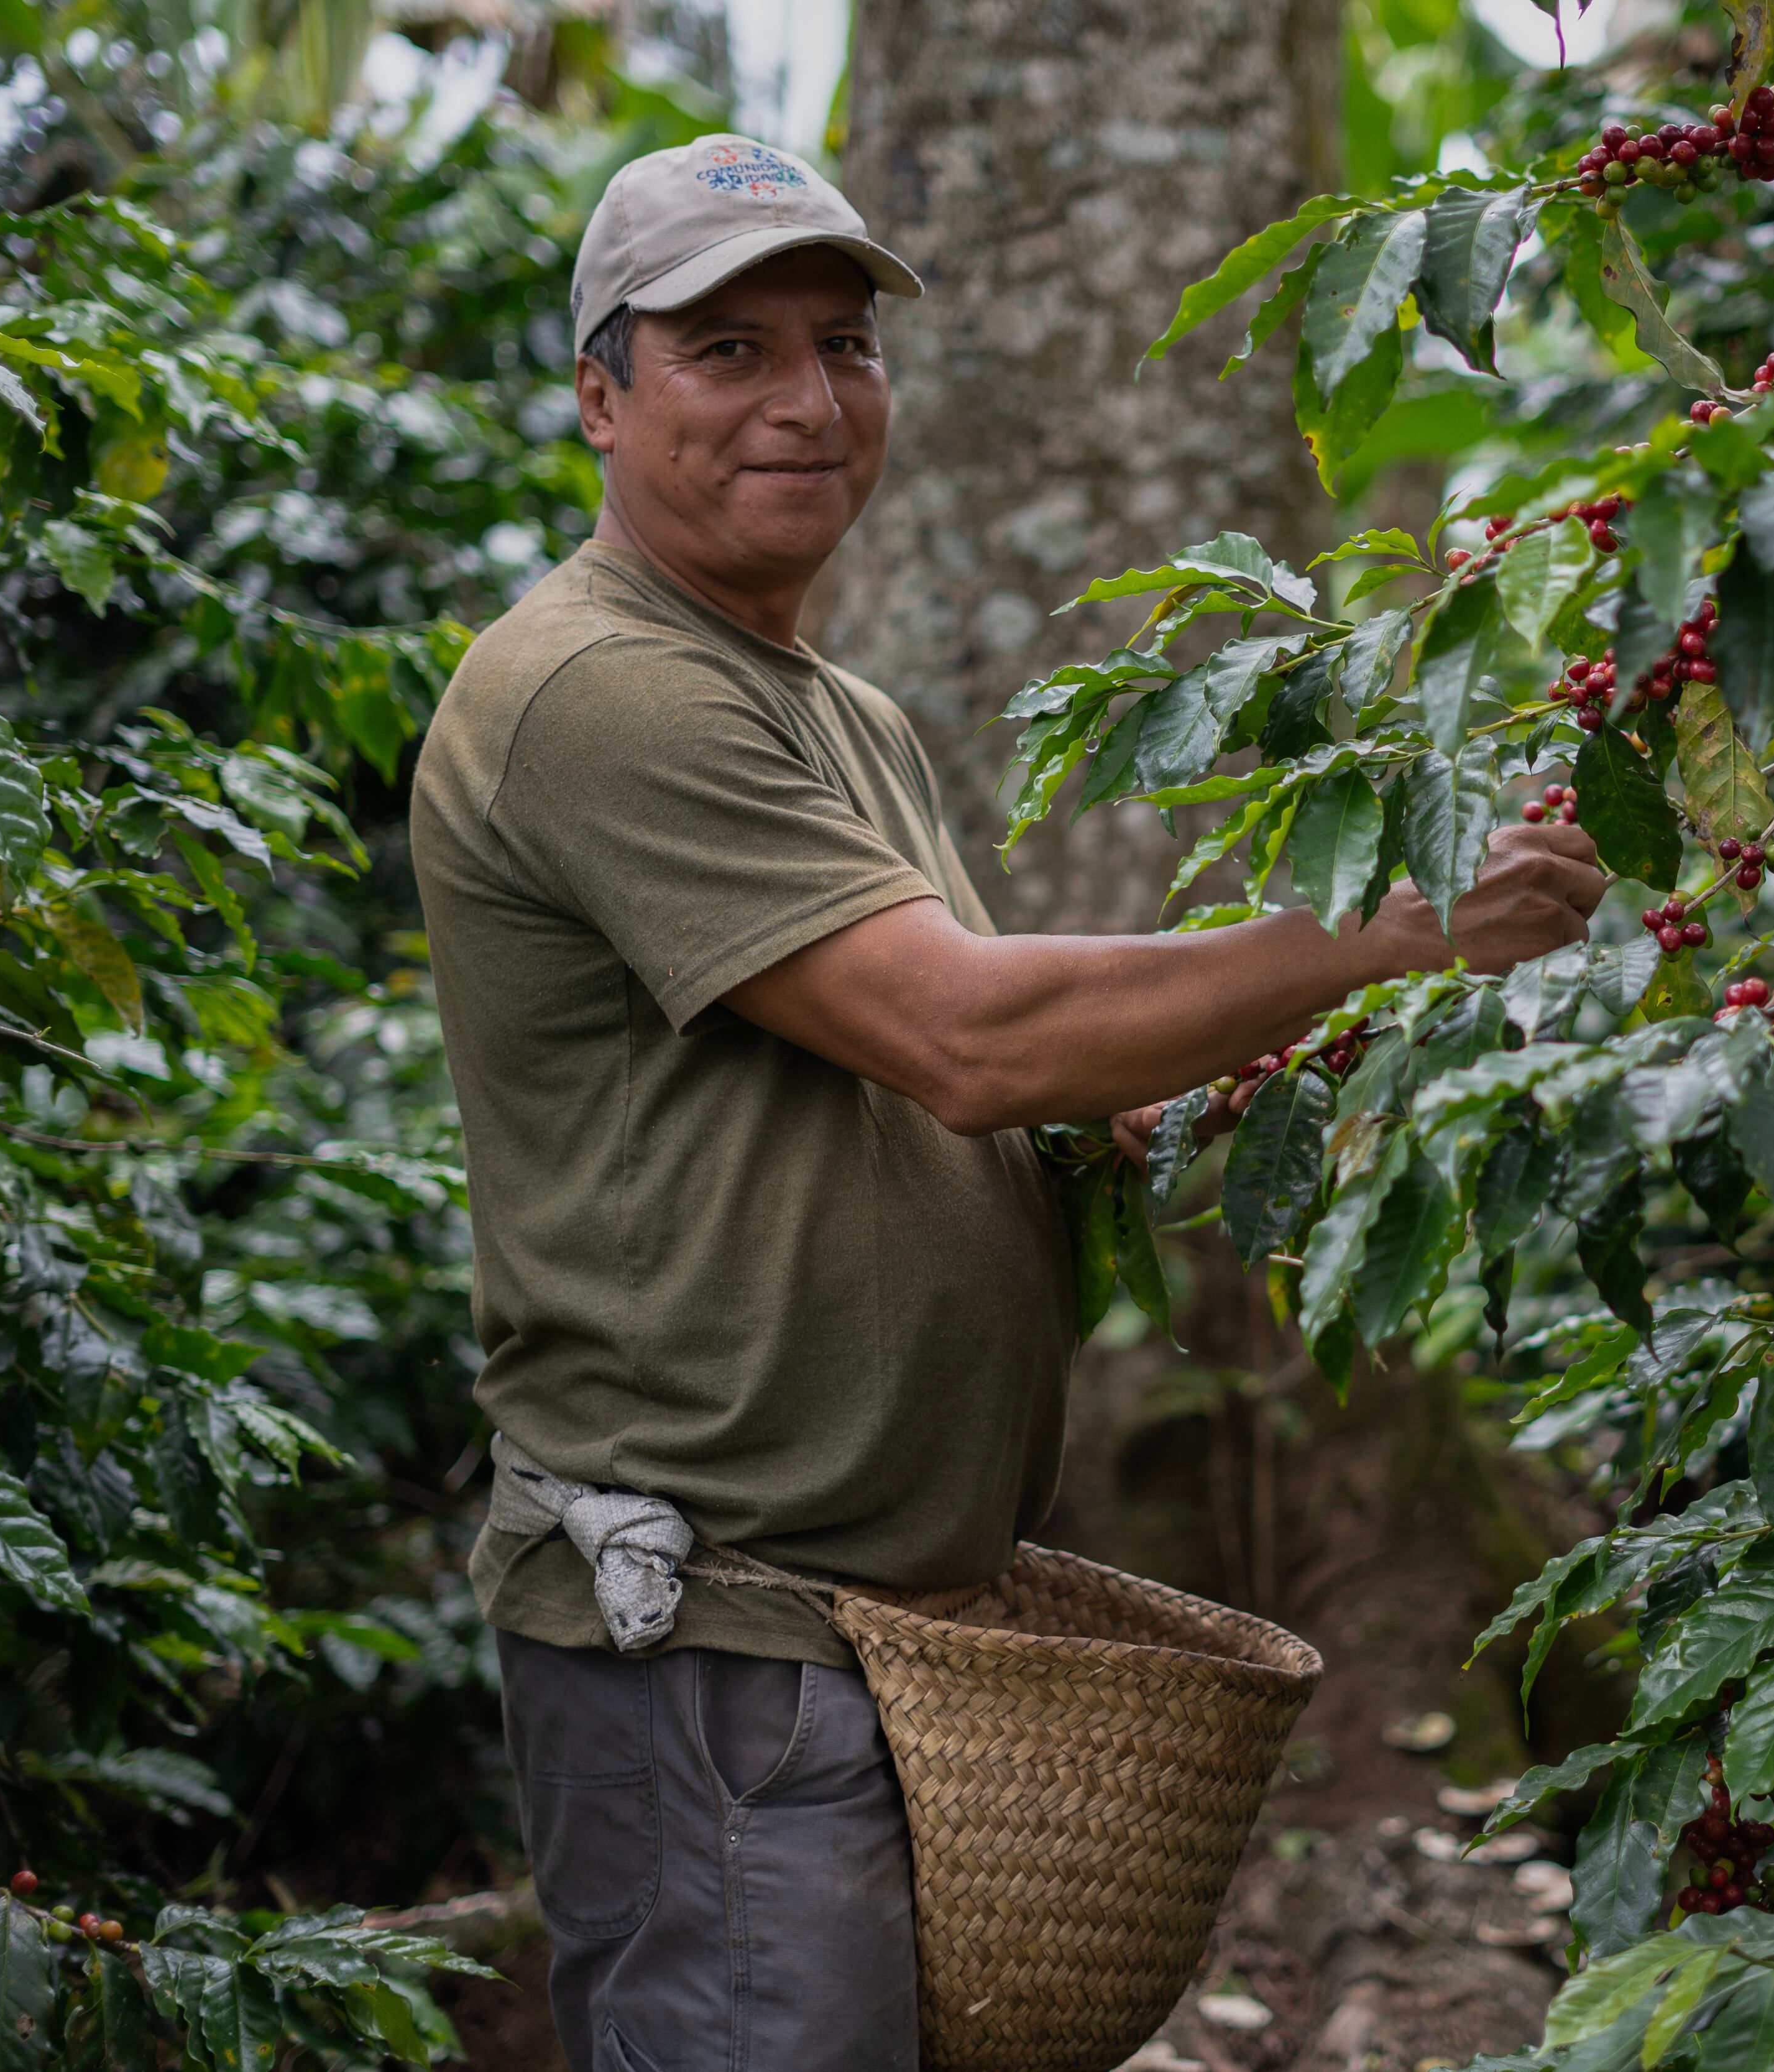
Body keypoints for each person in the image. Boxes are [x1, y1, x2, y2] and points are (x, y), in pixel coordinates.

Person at [407, 135, 1603, 2072]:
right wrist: (1392, 931)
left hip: (890, 1637)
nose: (807, 400)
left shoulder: (841, 714)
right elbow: (970, 1037)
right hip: (716, 1643)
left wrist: (1171, 1105)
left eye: (844, 343)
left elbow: (953, 1096)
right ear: (600, 398)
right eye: (727, 350)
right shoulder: (601, 689)